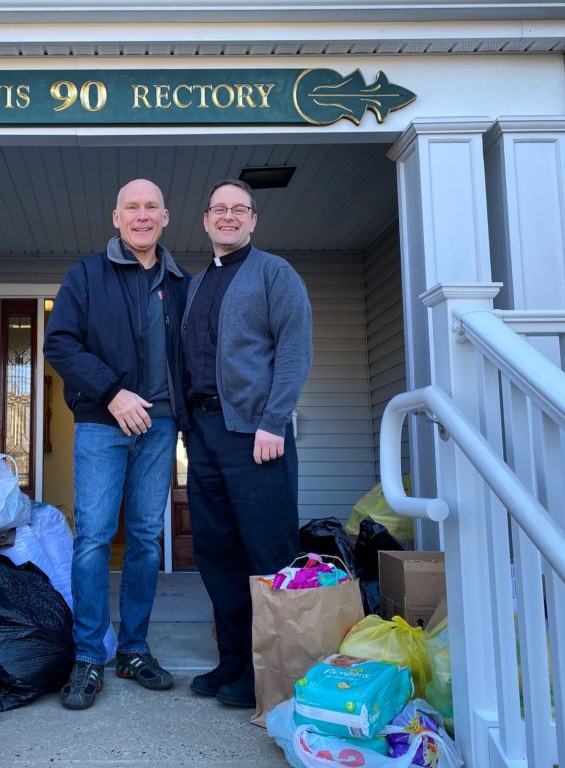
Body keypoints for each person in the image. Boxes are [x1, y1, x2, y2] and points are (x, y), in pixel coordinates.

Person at [43, 179, 190, 710]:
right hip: (103, 423)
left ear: (166, 217)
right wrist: (112, 392)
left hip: (160, 426)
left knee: (149, 538)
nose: (142, 215)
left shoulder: (180, 283)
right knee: (94, 538)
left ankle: (132, 649)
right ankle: (88, 656)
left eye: (152, 206)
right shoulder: (87, 274)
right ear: (116, 216)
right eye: (133, 206)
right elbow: (58, 341)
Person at [182, 179, 312, 708]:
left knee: (268, 555)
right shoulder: (194, 285)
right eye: (220, 209)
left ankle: (274, 672)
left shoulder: (274, 273)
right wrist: (190, 428)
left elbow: (295, 349)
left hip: (258, 435)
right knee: (216, 553)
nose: (229, 217)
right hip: (206, 436)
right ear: (207, 219)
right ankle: (234, 661)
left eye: (240, 209)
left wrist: (273, 421)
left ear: (253, 221)